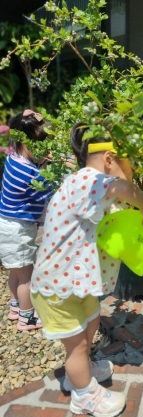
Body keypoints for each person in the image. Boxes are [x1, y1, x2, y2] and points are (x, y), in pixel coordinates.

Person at [31, 122, 143, 417]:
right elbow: (126, 189)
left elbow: (140, 229)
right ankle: (84, 396)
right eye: (132, 165)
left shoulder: (102, 195)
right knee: (76, 347)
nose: (135, 173)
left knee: (89, 331)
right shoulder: (83, 181)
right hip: (56, 287)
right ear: (110, 159)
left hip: (78, 285)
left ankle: (82, 371)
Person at [0, 110, 53, 330]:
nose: (48, 153)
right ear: (29, 145)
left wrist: (42, 163)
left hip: (8, 226)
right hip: (17, 231)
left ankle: (15, 308)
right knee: (27, 277)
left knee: (16, 272)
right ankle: (27, 317)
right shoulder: (30, 173)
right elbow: (50, 192)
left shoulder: (15, 159)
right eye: (44, 149)